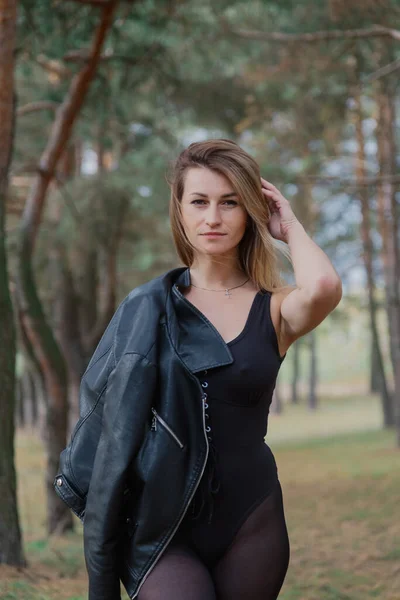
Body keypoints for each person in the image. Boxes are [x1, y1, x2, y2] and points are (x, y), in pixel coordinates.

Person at [54, 138, 342, 600]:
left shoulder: (276, 308)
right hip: (161, 524)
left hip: (253, 519)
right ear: (180, 210)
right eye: (200, 202)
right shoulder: (147, 308)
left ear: (250, 211)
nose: (213, 217)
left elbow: (325, 285)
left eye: (230, 202)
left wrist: (288, 225)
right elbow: (108, 421)